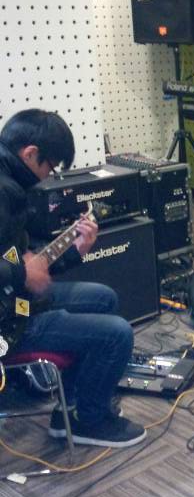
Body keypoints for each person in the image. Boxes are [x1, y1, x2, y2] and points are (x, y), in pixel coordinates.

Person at [0, 109, 146, 447]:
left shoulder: (11, 186)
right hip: (9, 323)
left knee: (103, 298)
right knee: (117, 334)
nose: (48, 176)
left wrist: (73, 251)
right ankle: (88, 421)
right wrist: (21, 271)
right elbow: (20, 270)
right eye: (50, 167)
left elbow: (20, 263)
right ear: (30, 153)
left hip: (16, 300)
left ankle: (72, 405)